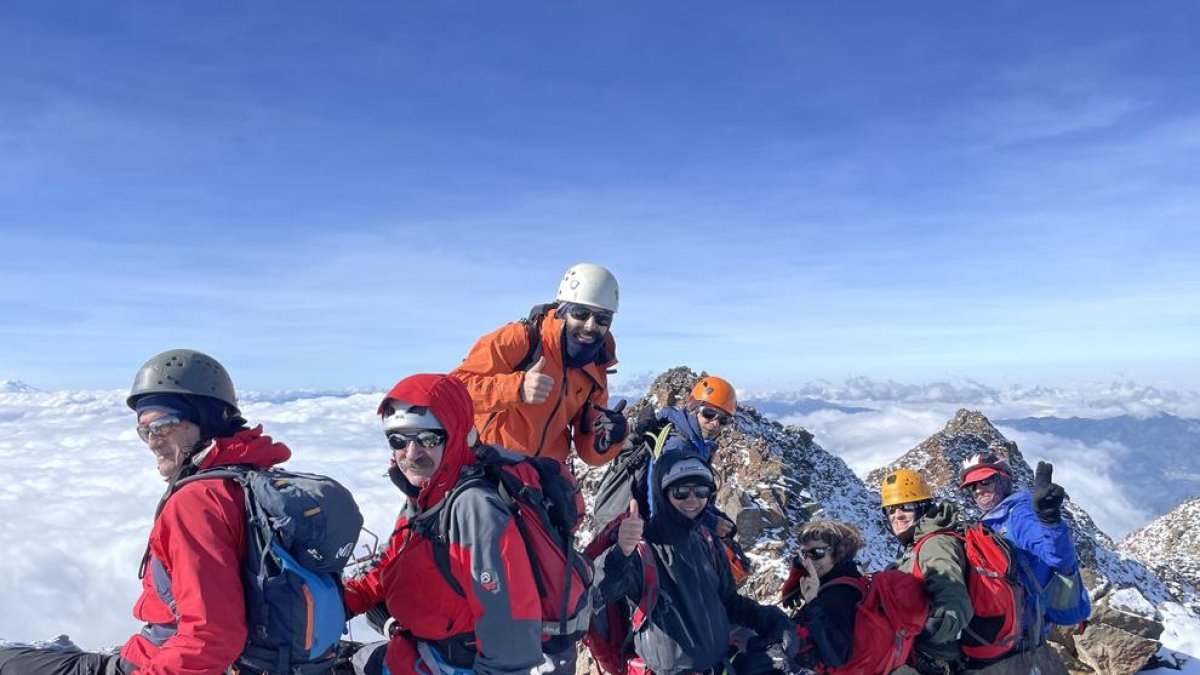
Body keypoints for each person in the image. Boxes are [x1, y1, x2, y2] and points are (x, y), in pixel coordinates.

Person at [0, 348, 291, 675]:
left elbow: (212, 637)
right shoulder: (264, 483)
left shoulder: (198, 502)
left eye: (164, 426)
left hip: (158, 661)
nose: (153, 442)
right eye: (145, 431)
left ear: (206, 420)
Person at [342, 373, 544, 675]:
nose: (411, 454)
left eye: (427, 438)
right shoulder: (424, 498)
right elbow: (391, 565)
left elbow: (510, 627)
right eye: (398, 440)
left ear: (454, 435)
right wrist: (342, 602)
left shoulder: (475, 509)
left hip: (450, 664)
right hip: (412, 651)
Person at [592, 453, 793, 675]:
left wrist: (770, 619)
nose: (692, 499)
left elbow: (728, 602)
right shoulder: (642, 546)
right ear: (663, 493)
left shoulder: (708, 541)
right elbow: (600, 591)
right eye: (681, 491)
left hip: (718, 665)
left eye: (701, 492)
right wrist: (621, 553)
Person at [450, 262, 628, 465]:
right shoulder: (522, 339)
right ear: (563, 310)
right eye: (580, 313)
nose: (590, 325)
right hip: (489, 464)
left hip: (544, 476)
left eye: (602, 319)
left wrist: (608, 439)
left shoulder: (596, 368)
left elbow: (587, 450)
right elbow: (454, 391)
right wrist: (516, 389)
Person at [959, 452, 1078, 673]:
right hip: (1008, 634)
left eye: (986, 481)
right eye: (972, 486)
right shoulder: (995, 518)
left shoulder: (1020, 514)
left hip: (1022, 639)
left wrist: (1050, 521)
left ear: (1004, 480)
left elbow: (1058, 557)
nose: (978, 490)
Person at [880, 469, 973, 675]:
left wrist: (920, 632)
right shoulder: (915, 547)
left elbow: (955, 603)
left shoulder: (935, 544)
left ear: (923, 507)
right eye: (890, 509)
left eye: (907, 506)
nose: (897, 515)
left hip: (936, 659)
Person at [781, 520, 868, 672]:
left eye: (817, 554)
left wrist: (813, 604)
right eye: (804, 554)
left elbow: (839, 656)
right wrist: (798, 567)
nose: (809, 562)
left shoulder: (840, 594)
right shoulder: (839, 576)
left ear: (839, 552)